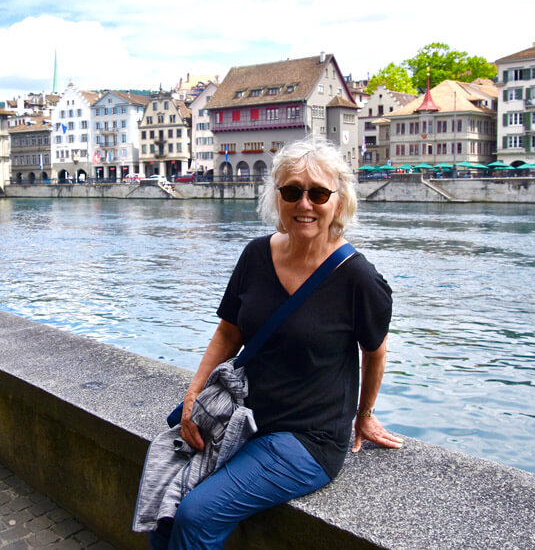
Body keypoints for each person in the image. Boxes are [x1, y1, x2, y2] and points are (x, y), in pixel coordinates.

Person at [149, 139, 402, 549]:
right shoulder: (255, 255)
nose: (305, 203)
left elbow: (375, 351)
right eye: (292, 191)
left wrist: (365, 414)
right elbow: (229, 333)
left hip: (308, 439)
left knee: (197, 514)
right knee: (168, 496)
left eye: (318, 193)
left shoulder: (359, 279)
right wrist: (194, 392)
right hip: (243, 417)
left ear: (338, 202)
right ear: (277, 197)